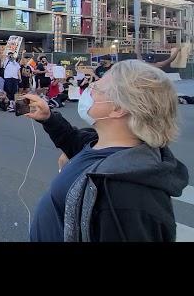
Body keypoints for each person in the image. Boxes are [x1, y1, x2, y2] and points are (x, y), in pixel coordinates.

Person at [25, 59, 189, 242]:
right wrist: (48, 117)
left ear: (118, 108)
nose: (89, 89)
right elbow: (74, 141)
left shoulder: (127, 194)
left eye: (97, 88)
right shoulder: (104, 145)